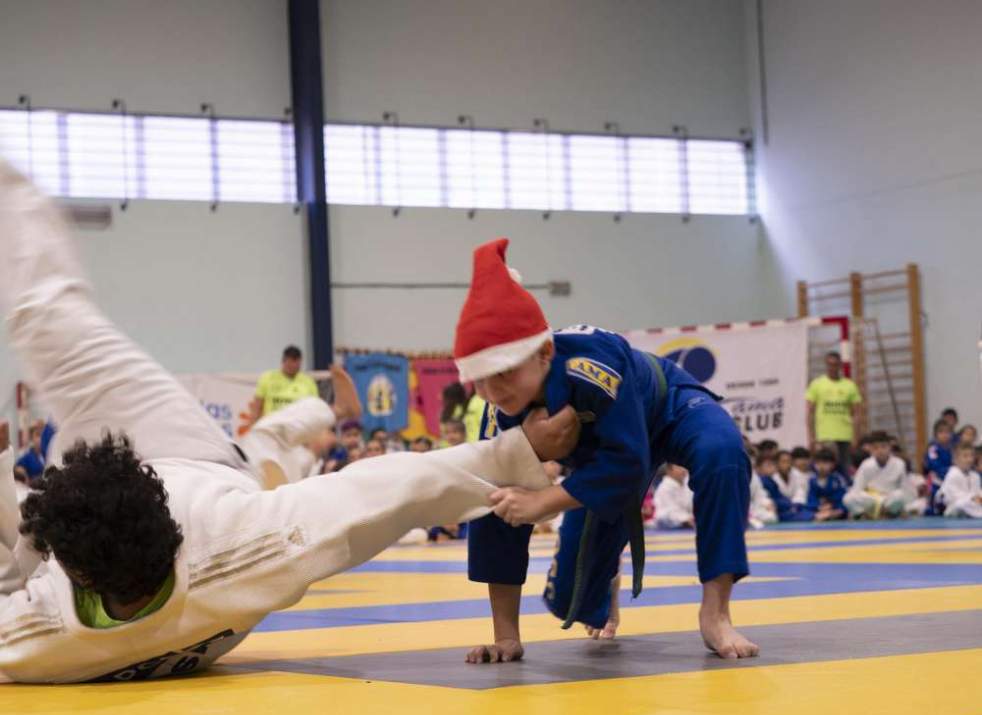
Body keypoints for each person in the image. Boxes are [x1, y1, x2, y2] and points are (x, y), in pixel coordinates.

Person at [0, 161, 579, 683]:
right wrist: (521, 449)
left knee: (48, 319)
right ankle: (334, 411)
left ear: (71, 570)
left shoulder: (35, 635)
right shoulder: (245, 545)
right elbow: (388, 489)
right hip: (202, 463)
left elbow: (391, 487)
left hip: (176, 476)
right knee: (262, 442)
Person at [456, 239, 758, 663]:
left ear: (544, 353)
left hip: (668, 407)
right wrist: (505, 637)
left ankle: (716, 611)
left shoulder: (591, 364)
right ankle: (602, 579)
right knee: (570, 601)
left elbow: (629, 463)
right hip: (605, 459)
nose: (493, 391)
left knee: (722, 450)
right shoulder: (498, 416)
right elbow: (496, 513)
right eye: (480, 380)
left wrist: (544, 500)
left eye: (504, 373)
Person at [805, 352, 863, 476]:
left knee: (845, 470)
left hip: (845, 435)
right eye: (830, 365)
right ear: (826, 365)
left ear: (840, 366)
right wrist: (811, 437)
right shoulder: (817, 384)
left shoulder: (849, 385)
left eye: (835, 365)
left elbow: (857, 413)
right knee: (826, 469)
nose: (832, 368)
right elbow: (810, 413)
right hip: (825, 435)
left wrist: (856, 436)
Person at [843, 431, 916, 519]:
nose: (880, 451)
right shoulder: (866, 465)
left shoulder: (899, 464)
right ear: (871, 450)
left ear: (889, 447)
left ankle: (888, 513)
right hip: (872, 500)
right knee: (848, 498)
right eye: (875, 448)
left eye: (883, 447)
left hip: (889, 500)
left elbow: (906, 489)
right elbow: (856, 489)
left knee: (899, 495)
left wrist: (903, 508)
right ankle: (866, 514)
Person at [757, 454, 813, 523]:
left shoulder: (770, 480)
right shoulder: (762, 481)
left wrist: (790, 503)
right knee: (788, 514)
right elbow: (771, 499)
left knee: (801, 508)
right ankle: (813, 516)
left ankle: (813, 515)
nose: (772, 467)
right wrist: (789, 504)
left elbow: (779, 496)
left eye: (773, 465)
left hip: (784, 505)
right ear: (758, 468)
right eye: (768, 465)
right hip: (770, 508)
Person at [938, 443, 982, 518]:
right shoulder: (952, 474)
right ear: (955, 459)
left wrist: (978, 498)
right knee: (961, 504)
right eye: (965, 456)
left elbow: (977, 492)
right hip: (953, 506)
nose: (969, 459)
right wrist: (972, 498)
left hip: (972, 504)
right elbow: (953, 497)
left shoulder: (975, 476)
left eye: (971, 456)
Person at [805, 448, 849, 521]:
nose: (821, 466)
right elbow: (811, 498)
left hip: (834, 508)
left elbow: (842, 497)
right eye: (818, 463)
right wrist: (818, 507)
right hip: (818, 509)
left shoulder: (838, 480)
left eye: (825, 463)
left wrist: (831, 505)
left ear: (833, 465)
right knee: (808, 511)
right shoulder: (811, 480)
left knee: (843, 508)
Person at [923, 419, 954, 509]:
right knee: (934, 507)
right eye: (941, 432)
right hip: (936, 481)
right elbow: (934, 465)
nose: (944, 435)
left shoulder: (953, 449)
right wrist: (949, 472)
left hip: (950, 480)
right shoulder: (933, 449)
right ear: (935, 434)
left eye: (947, 432)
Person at [653, 464, 694, 529]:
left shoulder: (688, 484)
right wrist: (686, 519)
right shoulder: (664, 488)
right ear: (669, 470)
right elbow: (668, 513)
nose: (683, 470)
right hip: (668, 527)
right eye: (679, 467)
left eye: (684, 467)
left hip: (689, 524)